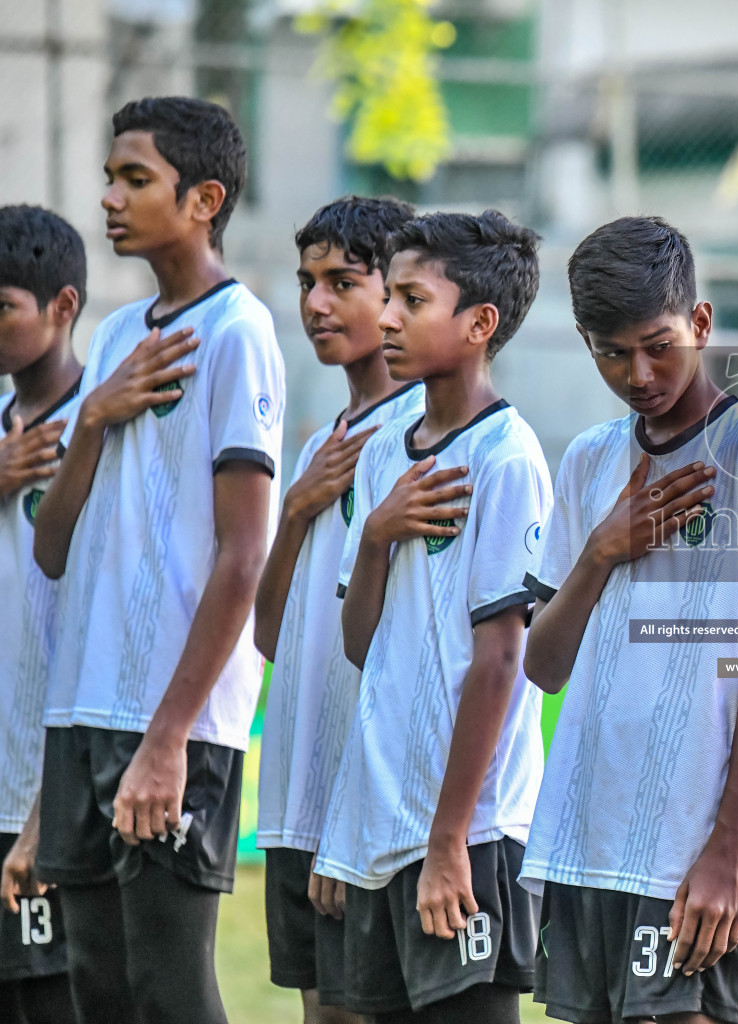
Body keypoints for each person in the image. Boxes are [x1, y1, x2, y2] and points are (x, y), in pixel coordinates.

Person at [31, 96, 283, 1024]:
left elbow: (243, 554)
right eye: (110, 175)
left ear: (203, 197)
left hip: (171, 726)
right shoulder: (109, 338)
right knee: (96, 991)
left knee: (169, 994)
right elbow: (52, 545)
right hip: (81, 711)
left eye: (135, 178)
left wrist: (170, 739)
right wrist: (93, 417)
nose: (110, 196)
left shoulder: (237, 331)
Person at [518, 215, 738, 1024]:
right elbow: (544, 666)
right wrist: (600, 552)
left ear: (700, 323)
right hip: (585, 841)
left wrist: (730, 852)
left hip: (688, 856)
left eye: (658, 344)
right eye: (610, 351)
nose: (637, 372)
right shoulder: (590, 461)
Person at [314, 210, 551, 1023]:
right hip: (385, 827)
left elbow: (499, 665)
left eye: (411, 299)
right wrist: (376, 534)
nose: (384, 317)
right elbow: (359, 646)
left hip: (468, 833)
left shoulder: (507, 456)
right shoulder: (385, 449)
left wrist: (450, 842)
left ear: (479, 324)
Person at [255, 194, 422, 1023]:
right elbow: (269, 637)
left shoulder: (422, 436)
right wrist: (294, 509)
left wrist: (350, 822)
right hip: (297, 798)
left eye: (341, 282)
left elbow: (416, 659)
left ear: (399, 292)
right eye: (306, 281)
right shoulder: (326, 441)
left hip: (366, 812)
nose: (315, 303)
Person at [0, 204, 88, 1024]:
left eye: (3, 306)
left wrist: (44, 810)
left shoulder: (108, 423)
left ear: (62, 307)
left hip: (46, 786)